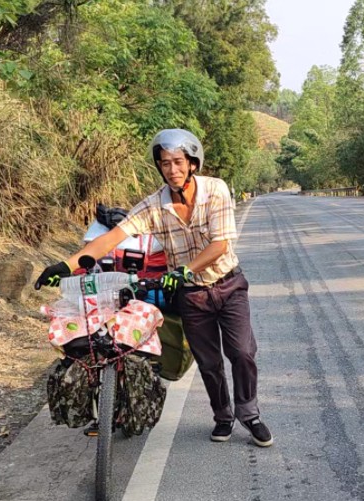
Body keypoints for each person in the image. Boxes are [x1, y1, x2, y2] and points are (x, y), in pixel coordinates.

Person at [34, 129, 273, 447]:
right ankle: (223, 417)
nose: (172, 169)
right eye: (165, 164)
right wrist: (66, 267)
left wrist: (183, 270)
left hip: (228, 285)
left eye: (178, 162)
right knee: (209, 361)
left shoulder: (215, 190)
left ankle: (250, 414)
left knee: (242, 352)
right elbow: (110, 239)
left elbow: (220, 245)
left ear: (192, 163)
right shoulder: (153, 206)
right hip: (191, 295)